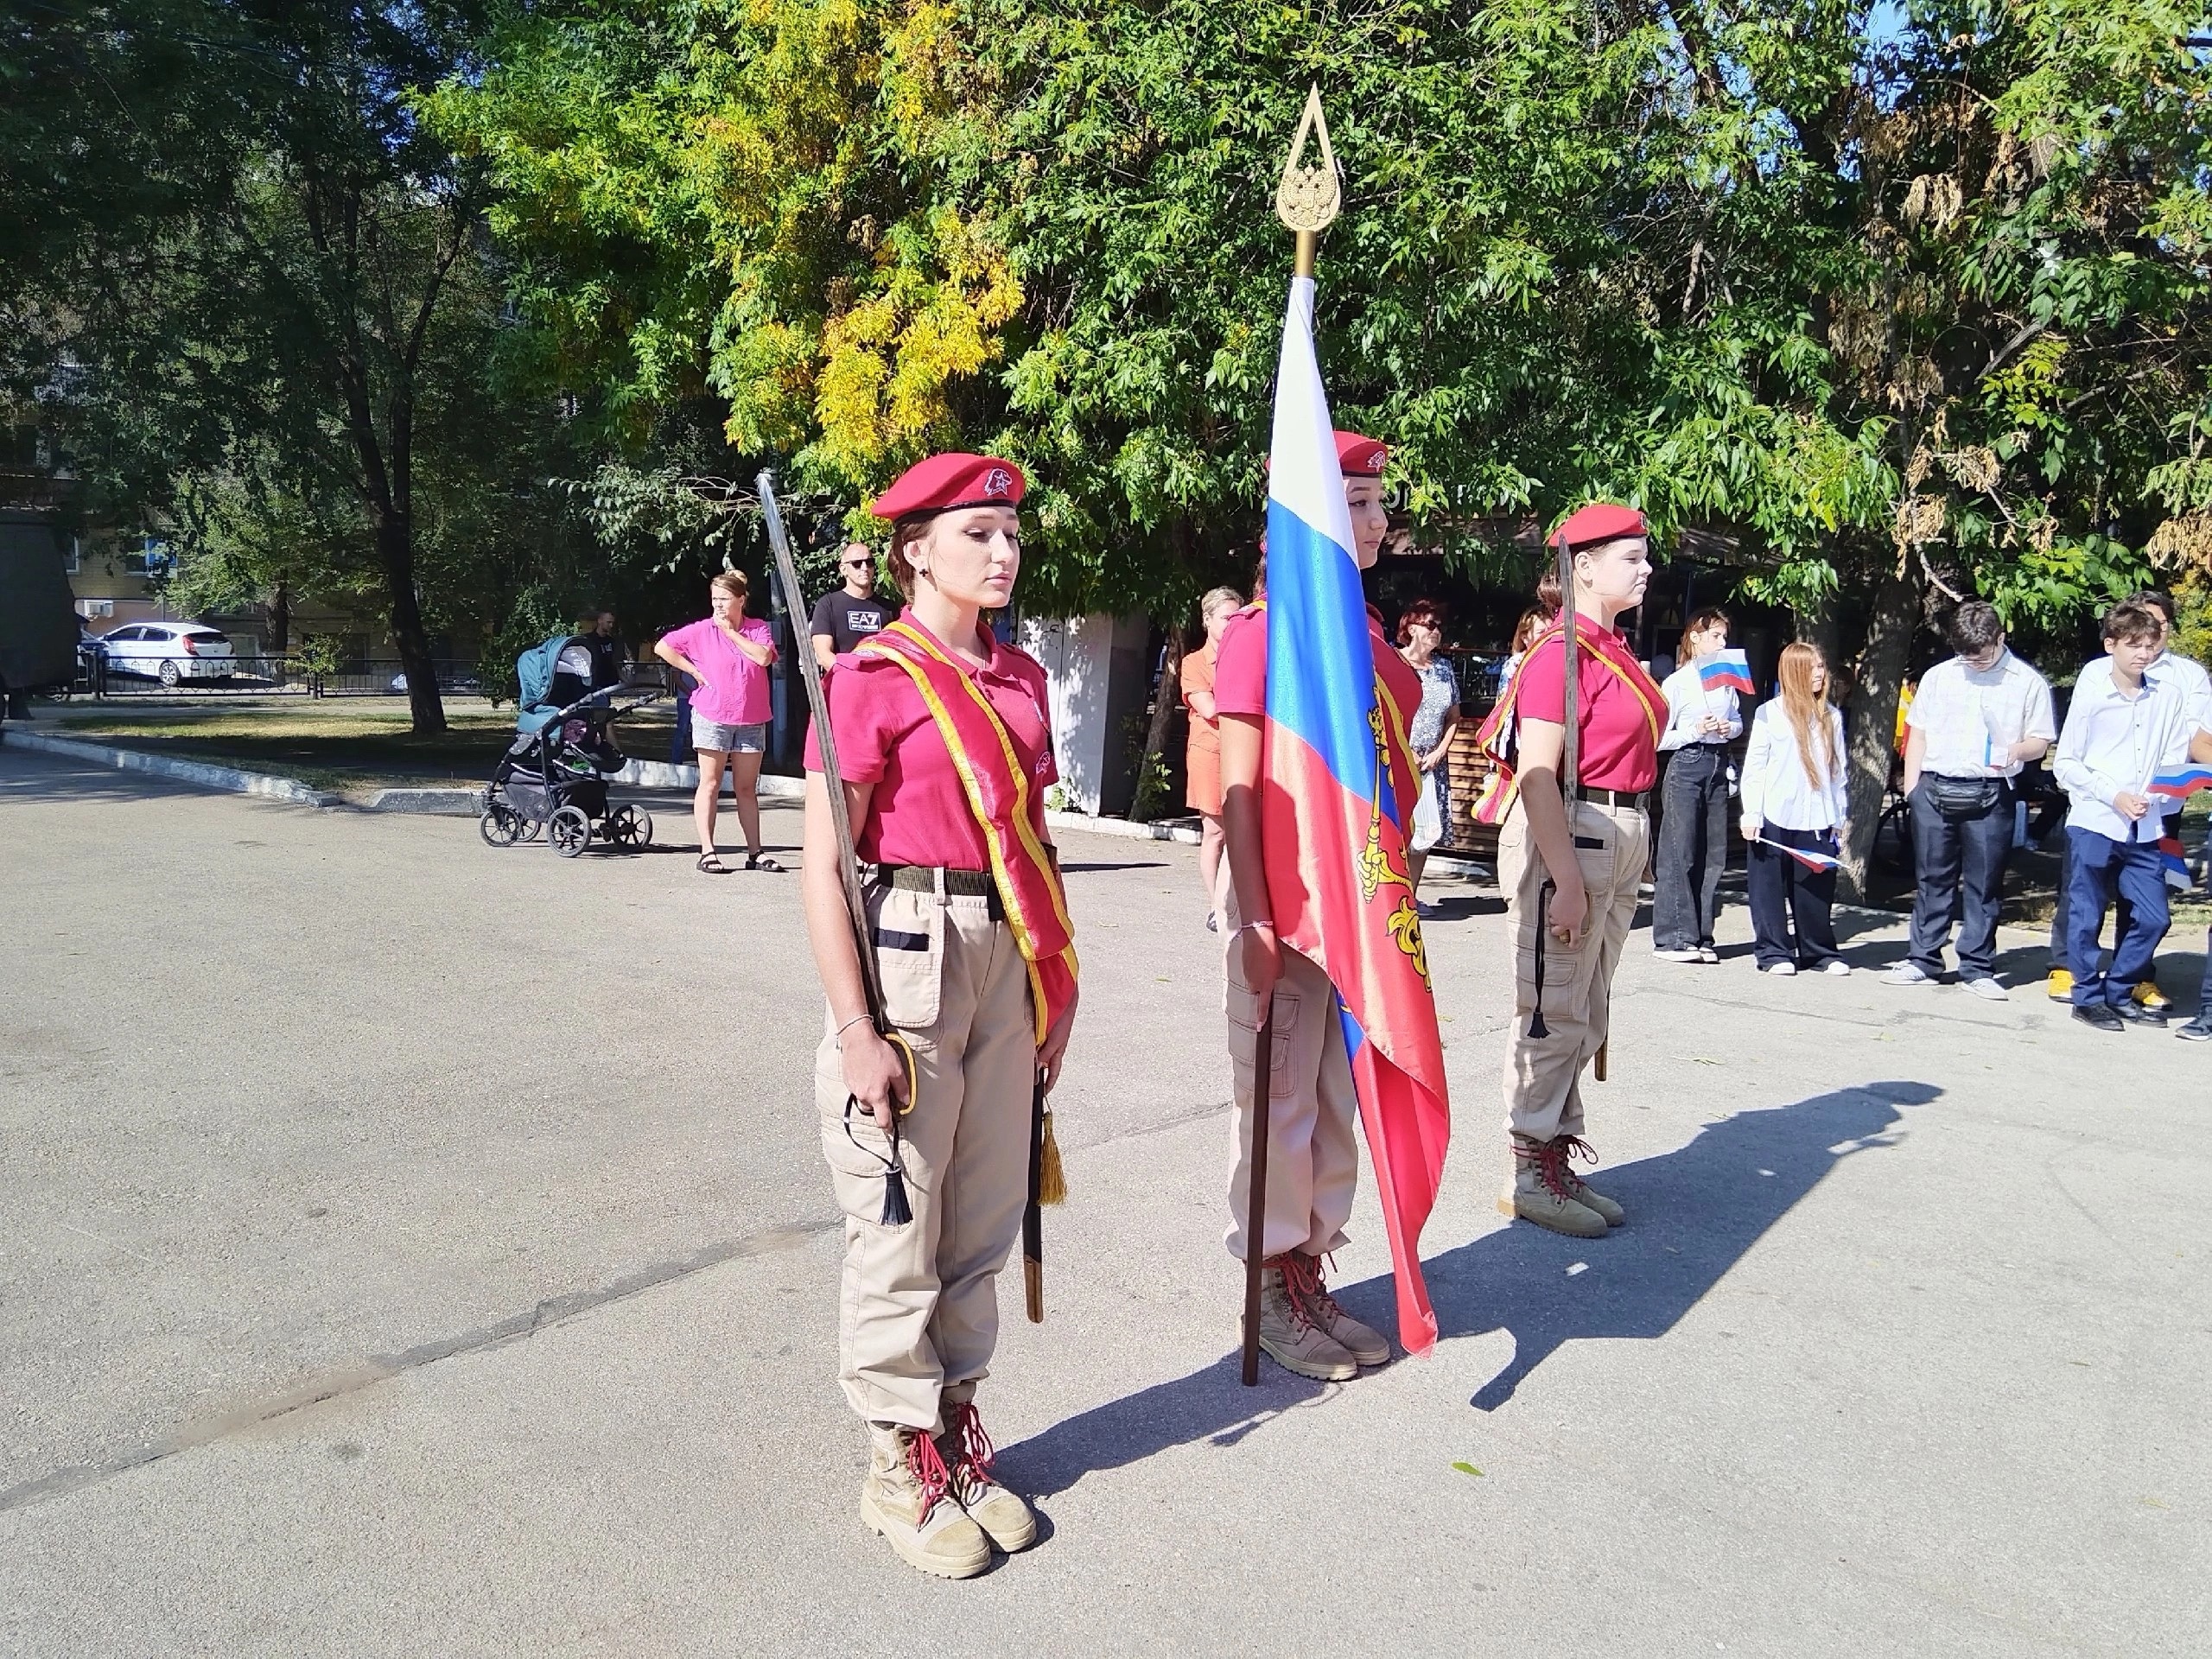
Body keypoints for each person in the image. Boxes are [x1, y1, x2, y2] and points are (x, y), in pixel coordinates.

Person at [798, 451, 1078, 1580]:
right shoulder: (868, 680)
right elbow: (823, 865)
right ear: (914, 550)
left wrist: (1054, 985)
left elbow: (1036, 847)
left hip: (1005, 960)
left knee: (980, 1216)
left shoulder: (1019, 681)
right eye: (977, 535)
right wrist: (858, 1027)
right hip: (908, 952)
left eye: (1010, 534)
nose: (1003, 553)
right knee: (899, 1219)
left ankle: (959, 1433)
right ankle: (893, 1463)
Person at [1215, 428, 1409, 1381]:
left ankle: (1305, 1268)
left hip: (1360, 914)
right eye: (1358, 506)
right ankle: (1267, 1290)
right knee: (1283, 1104)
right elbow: (1237, 790)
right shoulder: (1265, 635)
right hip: (1291, 910)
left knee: (1336, 1109)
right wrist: (1251, 920)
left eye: (1377, 503)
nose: (1377, 522)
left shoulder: (1356, 636)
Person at [1479, 502, 1662, 1239]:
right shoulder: (1561, 652)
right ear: (1583, 566)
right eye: (1631, 558)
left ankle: (1553, 1155)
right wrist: (1568, 880)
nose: (1646, 569)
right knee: (1552, 1009)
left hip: (1618, 827)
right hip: (1577, 831)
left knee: (1586, 1009)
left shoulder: (1608, 649)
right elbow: (1535, 775)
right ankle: (1528, 1171)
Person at [2047, 588, 2212, 1007]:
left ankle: (2120, 987)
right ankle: (2087, 995)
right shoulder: (2093, 692)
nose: (2144, 653)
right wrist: (2113, 795)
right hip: (2097, 821)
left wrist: (2159, 798)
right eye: (2134, 645)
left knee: (2154, 916)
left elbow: (2175, 759)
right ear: (2111, 645)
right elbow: (2066, 764)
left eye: (2150, 644)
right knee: (2086, 914)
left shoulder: (2170, 695)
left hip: (2147, 826)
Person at [1884, 601, 2056, 998]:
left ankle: (1977, 966)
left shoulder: (2026, 681)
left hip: (1992, 792)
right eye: (1965, 654)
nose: (1974, 661)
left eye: (1982, 653)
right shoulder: (1940, 676)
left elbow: (2041, 740)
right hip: (1935, 788)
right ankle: (1923, 959)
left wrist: (2016, 750)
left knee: (1984, 884)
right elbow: (1918, 733)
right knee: (1931, 879)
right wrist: (1914, 790)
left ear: (2001, 637)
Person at [654, 571, 785, 874]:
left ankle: (756, 852)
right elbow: (663, 647)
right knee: (710, 783)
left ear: (741, 600)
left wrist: (731, 634)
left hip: (751, 718)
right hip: (713, 715)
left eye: (724, 599)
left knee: (746, 788)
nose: (719, 605)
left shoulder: (756, 628)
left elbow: (764, 658)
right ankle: (708, 851)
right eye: (714, 599)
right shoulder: (701, 630)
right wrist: (692, 671)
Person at [1740, 642, 1849, 976]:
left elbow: (1837, 773)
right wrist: (1751, 813)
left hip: (1817, 816)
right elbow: (1756, 767)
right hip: (1774, 813)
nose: (1820, 673)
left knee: (1814, 888)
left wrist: (1840, 816)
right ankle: (1774, 953)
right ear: (1795, 672)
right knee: (1768, 888)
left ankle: (1819, 953)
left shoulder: (1831, 716)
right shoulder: (1769, 714)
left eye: (1821, 666)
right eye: (1813, 667)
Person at [1651, 607, 1740, 963]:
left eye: (1724, 637)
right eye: (1715, 636)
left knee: (1713, 853)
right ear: (1695, 638)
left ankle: (1701, 935)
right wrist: (1695, 730)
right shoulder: (1677, 682)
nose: (1722, 642)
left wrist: (1726, 728)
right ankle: (1673, 937)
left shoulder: (1726, 680)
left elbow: (1737, 722)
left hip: (1717, 762)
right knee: (1680, 851)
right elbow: (1659, 737)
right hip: (1687, 763)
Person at [1181, 585, 1243, 930]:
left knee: (1242, 831)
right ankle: (1217, 906)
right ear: (1207, 621)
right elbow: (1211, 708)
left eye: (1237, 617)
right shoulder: (1194, 663)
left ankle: (1236, 901)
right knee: (1216, 832)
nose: (1232, 624)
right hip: (1211, 754)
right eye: (1225, 618)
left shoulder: (1246, 657)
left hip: (1242, 753)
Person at [1396, 598, 1461, 906]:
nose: (1437, 631)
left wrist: (1439, 752)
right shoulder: (1394, 662)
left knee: (1424, 835)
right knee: (1397, 830)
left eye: (1439, 626)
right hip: (1398, 759)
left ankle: (1411, 896)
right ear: (1411, 628)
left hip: (1432, 764)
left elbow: (1453, 717)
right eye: (1430, 625)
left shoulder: (1444, 670)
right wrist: (1405, 749)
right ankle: (1390, 896)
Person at [810, 542, 892, 668]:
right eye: (857, 564)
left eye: (869, 562)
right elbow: (823, 655)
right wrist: (851, 676)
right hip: (845, 683)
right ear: (843, 569)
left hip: (881, 683)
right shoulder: (827, 605)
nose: (864, 568)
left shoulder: (889, 608)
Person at [579, 610, 626, 690]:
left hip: (609, 683)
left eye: (612, 623)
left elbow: (615, 662)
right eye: (608, 622)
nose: (611, 625)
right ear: (600, 621)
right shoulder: (588, 640)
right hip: (595, 683)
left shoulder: (611, 641)